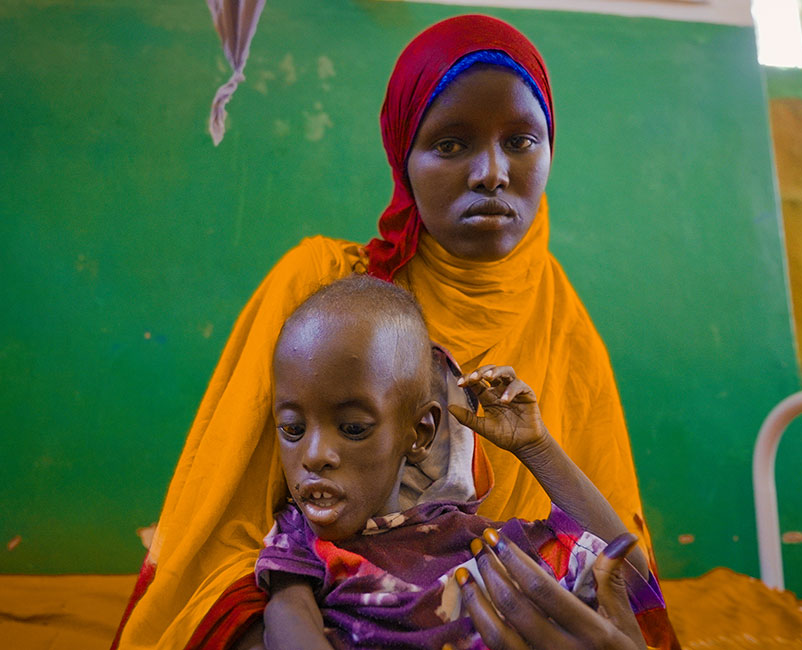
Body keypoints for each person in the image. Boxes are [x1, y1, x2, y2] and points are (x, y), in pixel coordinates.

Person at [113, 14, 677, 650]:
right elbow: (226, 537)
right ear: (402, 159)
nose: (492, 172)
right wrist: (292, 611)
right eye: (451, 144)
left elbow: (616, 575)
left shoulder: (564, 325)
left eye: (521, 141)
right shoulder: (328, 294)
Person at [258, 274, 662, 650]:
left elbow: (624, 575)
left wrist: (537, 447)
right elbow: (286, 612)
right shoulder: (299, 540)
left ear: (418, 434)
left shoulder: (466, 538)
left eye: (353, 428)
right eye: (293, 430)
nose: (314, 456)